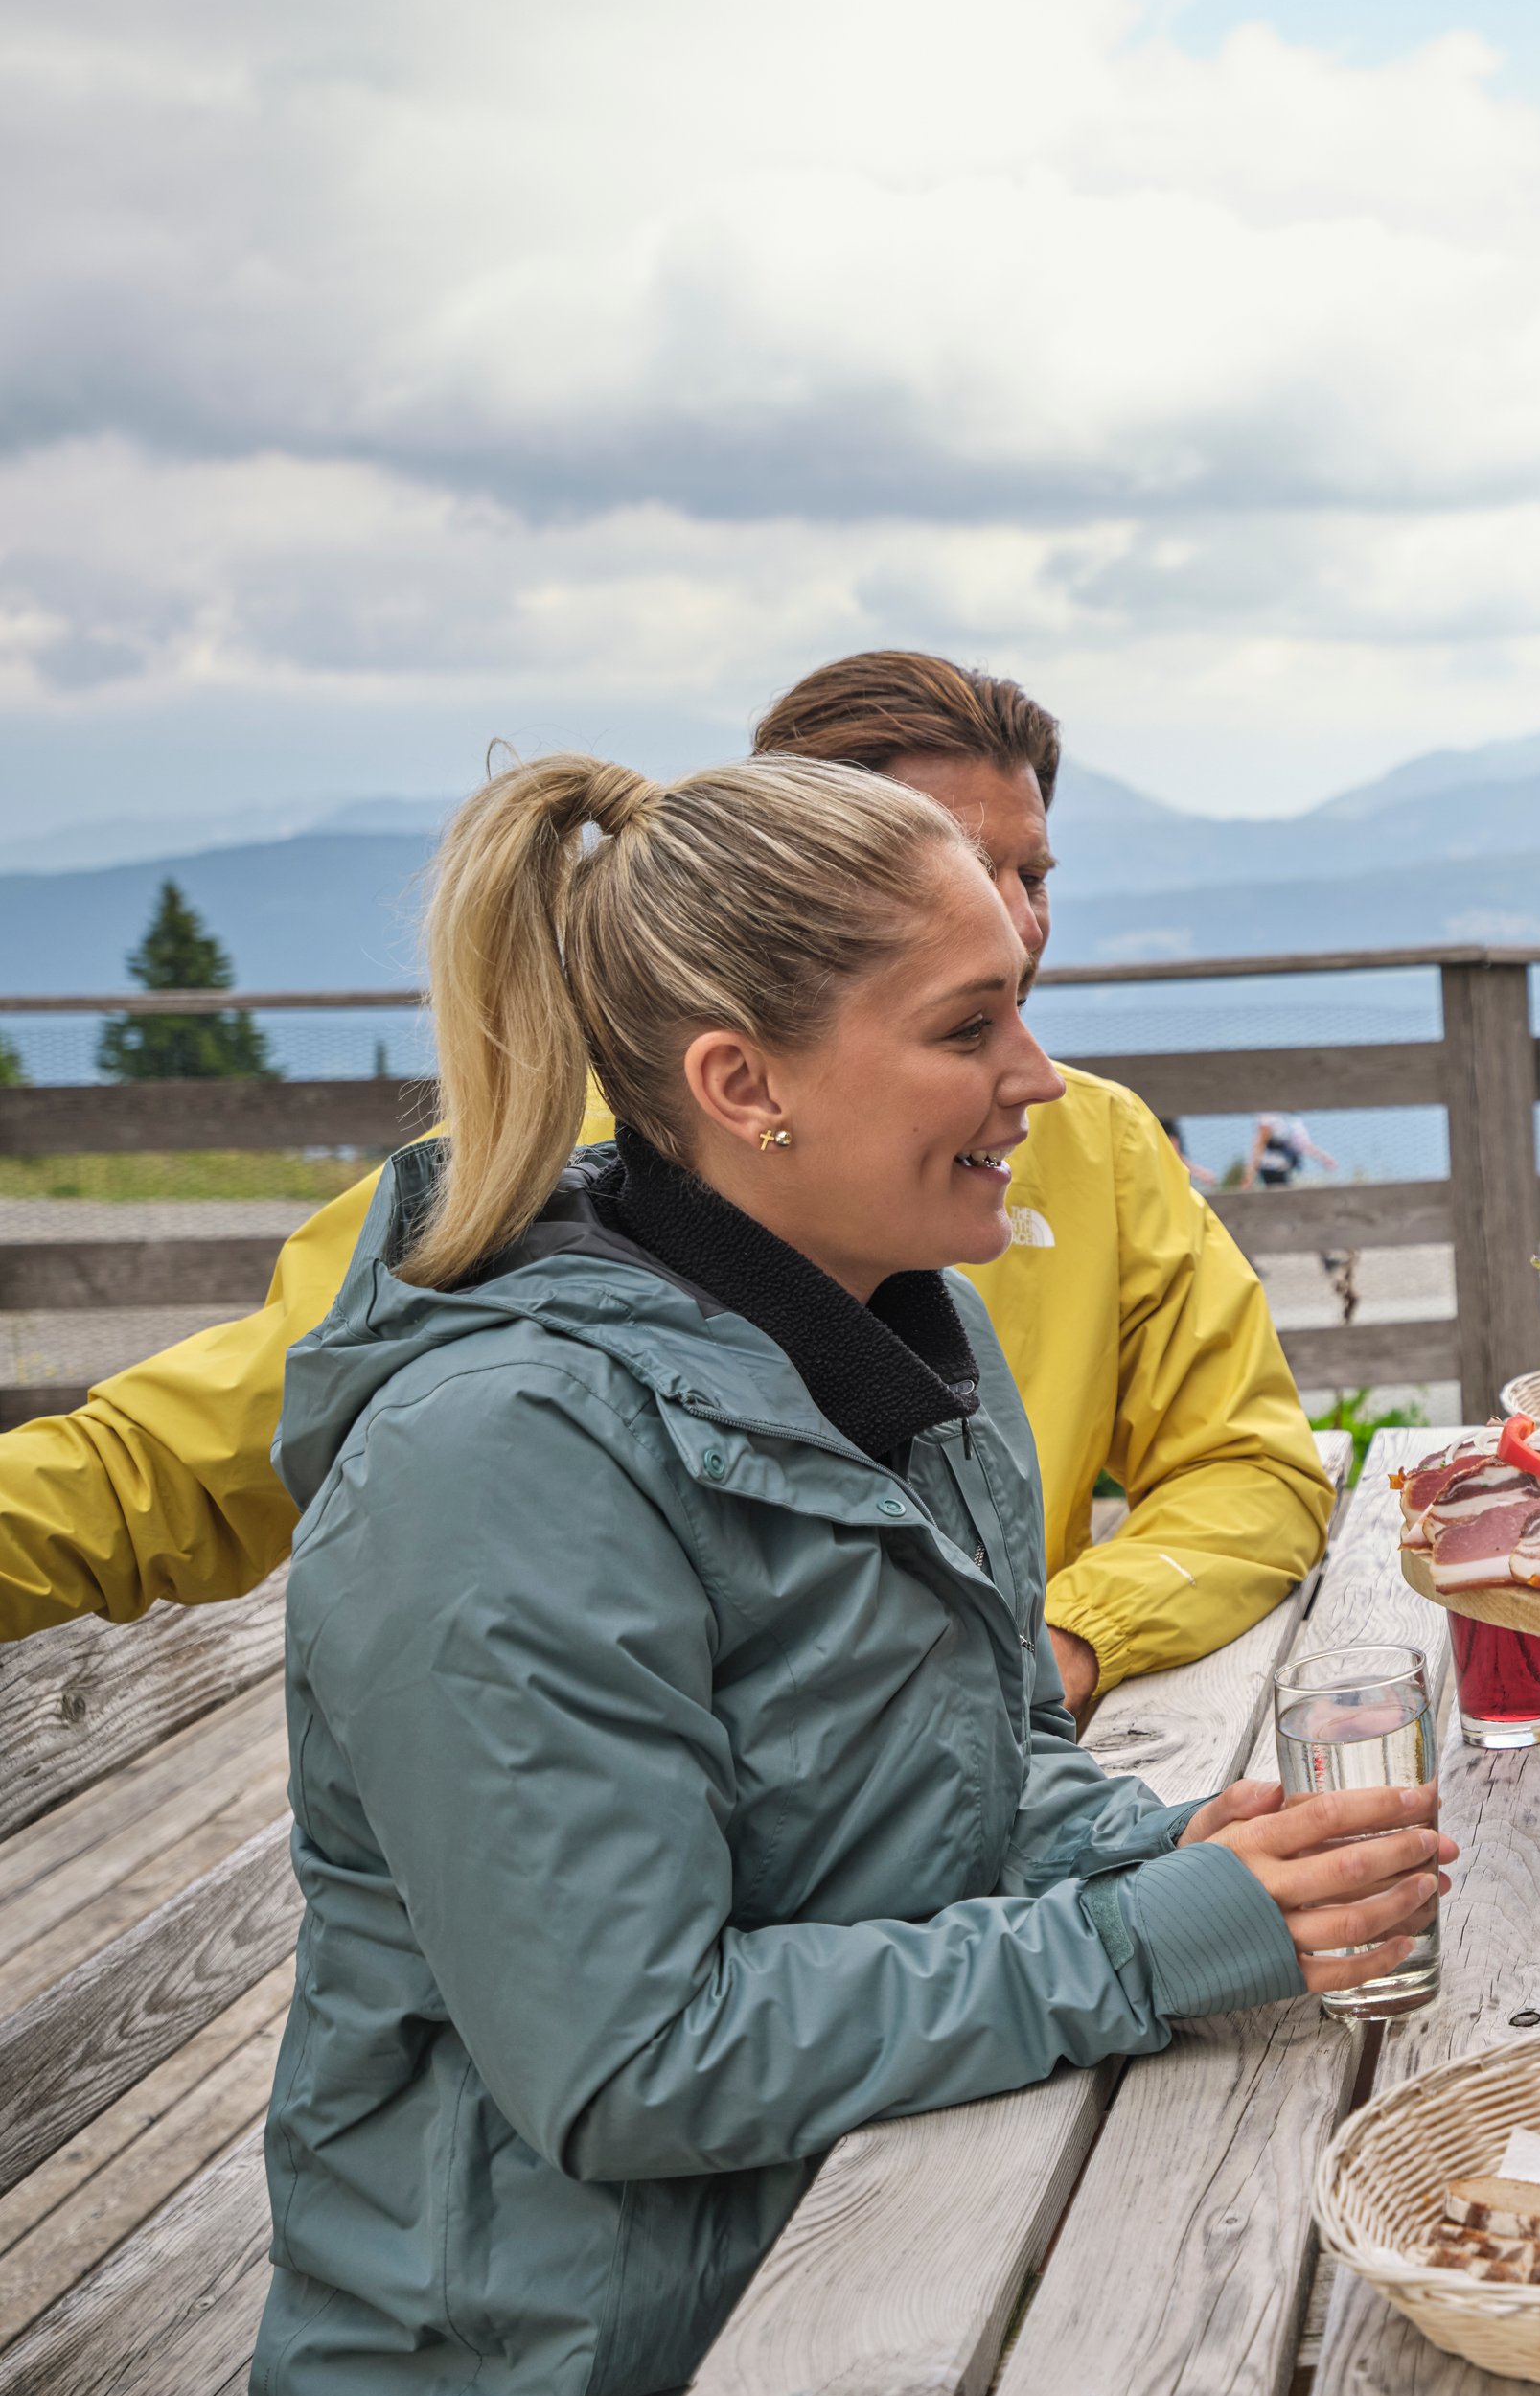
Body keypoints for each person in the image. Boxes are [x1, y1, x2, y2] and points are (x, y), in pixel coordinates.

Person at [250, 753, 1452, 2396]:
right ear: (744, 1087)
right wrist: (1132, 1949)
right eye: (968, 1026)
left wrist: (1162, 1852)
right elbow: (629, 2062)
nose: (1037, 1078)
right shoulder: (503, 1463)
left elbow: (963, 1779)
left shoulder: (894, 1331)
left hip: (861, 2294)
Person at [0, 653, 1328, 1712]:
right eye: (950, 864)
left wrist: (1064, 1642)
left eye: (1031, 871)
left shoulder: (1092, 1144)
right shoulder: (532, 1172)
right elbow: (174, 1463)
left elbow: (1249, 1465)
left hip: (956, 1835)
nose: (1015, 918)